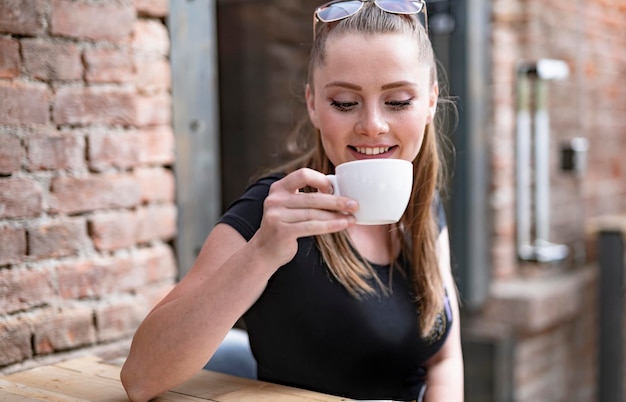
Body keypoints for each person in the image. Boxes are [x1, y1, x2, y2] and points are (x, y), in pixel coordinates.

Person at [121, 0, 464, 401]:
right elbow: (140, 378)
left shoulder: (423, 206)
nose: (372, 125)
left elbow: (443, 360)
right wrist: (262, 253)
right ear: (313, 105)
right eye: (344, 103)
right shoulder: (271, 213)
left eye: (398, 101)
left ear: (429, 102)